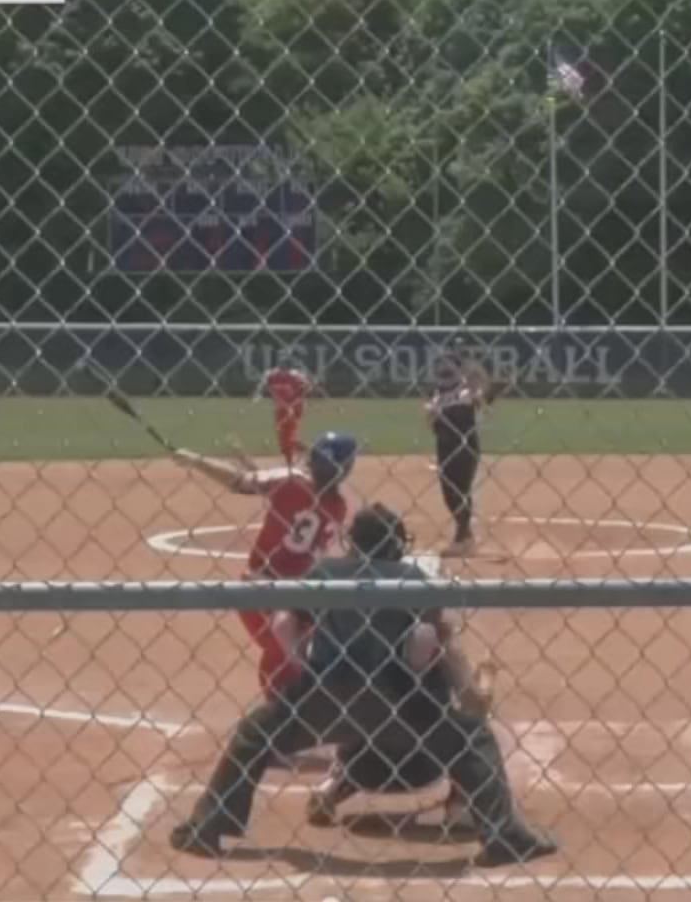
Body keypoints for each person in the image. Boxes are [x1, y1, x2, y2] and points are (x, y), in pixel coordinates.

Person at [168, 504, 556, 867]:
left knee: (255, 733)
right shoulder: (411, 578)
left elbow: (284, 621)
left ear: (354, 542)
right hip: (398, 702)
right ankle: (501, 833)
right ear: (397, 543)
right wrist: (466, 693)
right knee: (473, 738)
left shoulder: (325, 572)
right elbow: (443, 639)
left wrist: (303, 668)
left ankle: (207, 826)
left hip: (326, 698)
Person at [174, 432, 358, 698]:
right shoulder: (338, 506)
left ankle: (282, 709)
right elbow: (282, 489)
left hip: (259, 586)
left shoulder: (292, 482)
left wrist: (196, 460)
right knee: (293, 653)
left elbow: (243, 483)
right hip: (298, 595)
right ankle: (287, 709)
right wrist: (249, 462)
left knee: (282, 655)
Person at [425, 352, 494, 555]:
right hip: (444, 448)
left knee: (460, 491)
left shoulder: (466, 393)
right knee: (448, 493)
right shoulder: (436, 397)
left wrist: (478, 387)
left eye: (449, 368)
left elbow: (482, 397)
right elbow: (430, 424)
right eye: (441, 368)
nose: (444, 371)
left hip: (465, 447)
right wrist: (432, 413)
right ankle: (466, 536)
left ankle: (462, 538)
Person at [260, 366, 314, 465]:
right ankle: (309, 453)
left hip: (293, 407)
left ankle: (293, 462)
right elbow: (265, 388)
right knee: (284, 438)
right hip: (280, 408)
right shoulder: (271, 374)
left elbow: (306, 388)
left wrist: (294, 402)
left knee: (286, 437)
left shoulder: (295, 374)